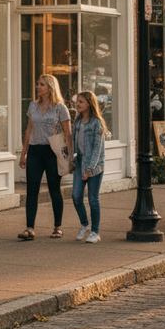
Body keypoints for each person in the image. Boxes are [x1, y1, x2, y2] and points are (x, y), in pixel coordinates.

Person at [18, 74, 71, 240]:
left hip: (52, 152)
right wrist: (23, 153)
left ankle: (57, 227)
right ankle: (29, 228)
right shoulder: (33, 106)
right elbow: (28, 130)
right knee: (32, 190)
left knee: (54, 189)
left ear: (50, 87)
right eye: (37, 84)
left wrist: (69, 157)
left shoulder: (60, 108)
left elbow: (68, 134)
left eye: (41, 85)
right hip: (35, 151)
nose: (37, 87)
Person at [71, 91, 106, 244]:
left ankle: (95, 231)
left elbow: (98, 149)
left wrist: (89, 169)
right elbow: (74, 144)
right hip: (80, 163)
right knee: (76, 196)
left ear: (89, 104)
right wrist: (72, 160)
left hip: (94, 166)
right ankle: (85, 224)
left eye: (81, 102)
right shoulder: (77, 121)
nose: (78, 104)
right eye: (77, 101)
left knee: (93, 199)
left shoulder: (96, 123)